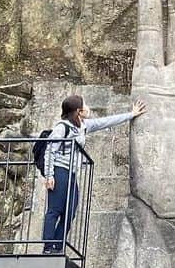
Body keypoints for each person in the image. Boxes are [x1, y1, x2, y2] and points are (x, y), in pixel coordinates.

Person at [42, 94, 146, 254]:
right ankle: (49, 247)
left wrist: (130, 114)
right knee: (55, 210)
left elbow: (104, 122)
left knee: (70, 211)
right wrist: (49, 176)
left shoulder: (82, 125)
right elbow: (50, 150)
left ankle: (57, 245)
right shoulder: (62, 127)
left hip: (71, 173)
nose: (87, 108)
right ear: (78, 111)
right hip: (59, 171)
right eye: (84, 106)